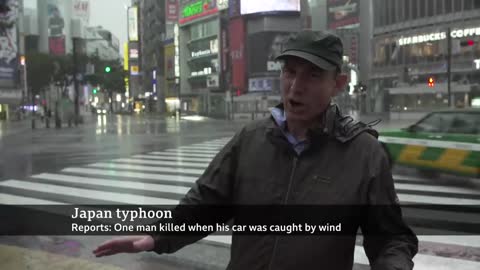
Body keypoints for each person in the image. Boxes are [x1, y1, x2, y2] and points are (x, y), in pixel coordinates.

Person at [93, 30, 418, 270]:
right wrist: (155, 238)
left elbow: (391, 238)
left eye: (313, 75)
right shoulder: (250, 139)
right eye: (290, 72)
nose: (296, 86)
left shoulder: (363, 154)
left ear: (338, 83)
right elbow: (206, 202)